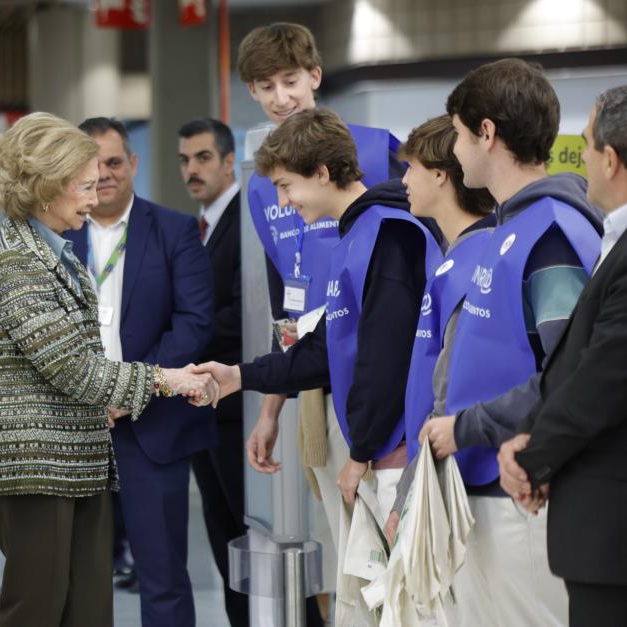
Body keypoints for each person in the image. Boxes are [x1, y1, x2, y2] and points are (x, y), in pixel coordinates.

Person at [0, 112, 215, 627]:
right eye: (83, 186)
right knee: (38, 611)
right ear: (45, 189)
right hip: (39, 465)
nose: (93, 196)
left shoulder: (53, 250)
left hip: (76, 461)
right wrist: (167, 379)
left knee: (86, 610)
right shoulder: (18, 260)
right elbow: (73, 369)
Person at [418, 59, 602, 626]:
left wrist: (466, 426)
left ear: (487, 132)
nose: (454, 150)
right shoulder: (511, 226)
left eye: (458, 133)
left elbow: (573, 375)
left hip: (521, 494)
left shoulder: (551, 235)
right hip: (484, 485)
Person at [196, 106, 441, 528]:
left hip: (398, 456)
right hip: (381, 453)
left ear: (323, 173)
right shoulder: (358, 234)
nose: (282, 202)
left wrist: (360, 454)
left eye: (286, 185)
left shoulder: (389, 235)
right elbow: (325, 349)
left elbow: (385, 360)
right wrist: (238, 376)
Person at [237, 30, 409, 613]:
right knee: (341, 547)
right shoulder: (263, 186)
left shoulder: (375, 150)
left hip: (376, 378)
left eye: (290, 81)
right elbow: (286, 301)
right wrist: (270, 409)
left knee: (381, 553)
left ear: (315, 75)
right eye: (266, 86)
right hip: (314, 371)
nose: (281, 97)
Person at [62, 116, 216, 627]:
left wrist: (131, 390)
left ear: (133, 163)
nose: (104, 174)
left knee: (162, 576)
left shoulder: (174, 230)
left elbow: (194, 321)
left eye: (113, 162)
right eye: (93, 166)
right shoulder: (57, 235)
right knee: (73, 577)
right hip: (74, 426)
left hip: (152, 427)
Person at [498, 85, 627, 627]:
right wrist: (532, 433)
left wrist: (532, 458)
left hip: (611, 531)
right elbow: (576, 362)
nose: (583, 159)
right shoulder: (614, 240)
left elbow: (604, 377)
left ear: (611, 159)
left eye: (588, 145)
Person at [382, 115, 495, 541]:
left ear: (440, 175)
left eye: (411, 167)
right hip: (440, 470)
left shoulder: (474, 262)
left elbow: (449, 392)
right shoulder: (456, 256)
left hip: (456, 480)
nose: (404, 180)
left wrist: (407, 496)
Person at [177, 117, 246, 627]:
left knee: (245, 538)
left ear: (229, 161)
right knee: (223, 541)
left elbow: (244, 315)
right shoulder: (197, 228)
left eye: (203, 158)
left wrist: (177, 340)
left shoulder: (245, 221)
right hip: (202, 409)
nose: (192, 170)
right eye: (184, 160)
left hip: (238, 408)